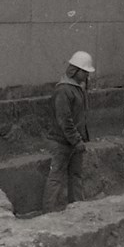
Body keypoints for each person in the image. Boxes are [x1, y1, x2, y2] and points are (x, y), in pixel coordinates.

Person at [45, 51, 95, 211]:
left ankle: (77, 209)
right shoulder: (63, 91)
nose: (87, 75)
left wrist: (79, 140)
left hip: (73, 141)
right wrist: (77, 140)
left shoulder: (76, 88)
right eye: (85, 72)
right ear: (75, 70)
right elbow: (64, 121)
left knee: (76, 176)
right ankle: (49, 212)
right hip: (61, 142)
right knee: (56, 178)